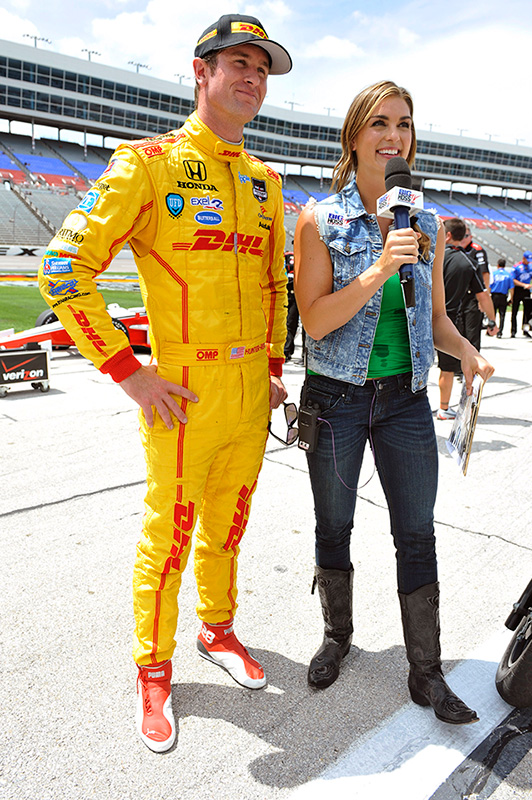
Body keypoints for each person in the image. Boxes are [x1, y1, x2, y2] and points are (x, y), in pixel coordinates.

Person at [38, 13, 292, 753]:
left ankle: (218, 630)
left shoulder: (268, 181)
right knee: (170, 536)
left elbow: (275, 287)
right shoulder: (146, 164)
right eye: (239, 63)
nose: (252, 78)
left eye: (262, 69)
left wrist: (273, 369)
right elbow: (62, 269)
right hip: (182, 393)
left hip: (250, 392)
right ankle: (153, 669)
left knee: (229, 528)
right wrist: (130, 371)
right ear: (201, 71)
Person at [294, 80, 494, 725]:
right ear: (354, 136)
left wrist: (467, 353)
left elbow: (434, 321)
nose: (393, 135)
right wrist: (379, 267)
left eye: (403, 124)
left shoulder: (426, 222)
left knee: (417, 532)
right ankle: (337, 636)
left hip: (405, 399)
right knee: (334, 524)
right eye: (379, 123)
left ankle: (425, 672)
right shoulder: (319, 221)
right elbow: (316, 320)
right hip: (336, 398)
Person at [437, 218, 498, 420]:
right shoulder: (467, 262)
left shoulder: (430, 255)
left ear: (447, 235)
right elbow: (483, 295)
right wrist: (492, 320)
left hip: (418, 318)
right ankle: (445, 408)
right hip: (447, 321)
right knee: (449, 368)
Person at [457, 225, 493, 351]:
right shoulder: (457, 249)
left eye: (466, 236)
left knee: (471, 332)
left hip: (473, 295)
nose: (463, 238)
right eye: (461, 236)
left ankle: (473, 359)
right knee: (459, 330)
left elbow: (485, 274)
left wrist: (483, 297)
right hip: (459, 295)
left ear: (471, 237)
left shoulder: (477, 250)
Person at [490, 257, 514, 337]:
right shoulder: (508, 275)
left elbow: (489, 286)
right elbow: (512, 288)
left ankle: (491, 329)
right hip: (503, 296)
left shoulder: (494, 274)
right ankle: (500, 332)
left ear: (497, 265)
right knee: (502, 314)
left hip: (494, 295)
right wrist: (511, 298)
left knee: (493, 314)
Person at [510, 251, 532, 338]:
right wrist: (523, 285)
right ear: (523, 258)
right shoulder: (516, 267)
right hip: (518, 289)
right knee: (514, 311)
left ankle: (525, 330)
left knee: (527, 312)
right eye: (527, 260)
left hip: (527, 290)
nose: (528, 262)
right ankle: (513, 331)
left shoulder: (530, 267)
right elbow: (513, 280)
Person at [284, 251, 300, 361]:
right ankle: (286, 350)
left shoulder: (302, 256)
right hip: (286, 293)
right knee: (286, 323)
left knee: (291, 323)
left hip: (296, 295)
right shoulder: (286, 256)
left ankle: (288, 350)